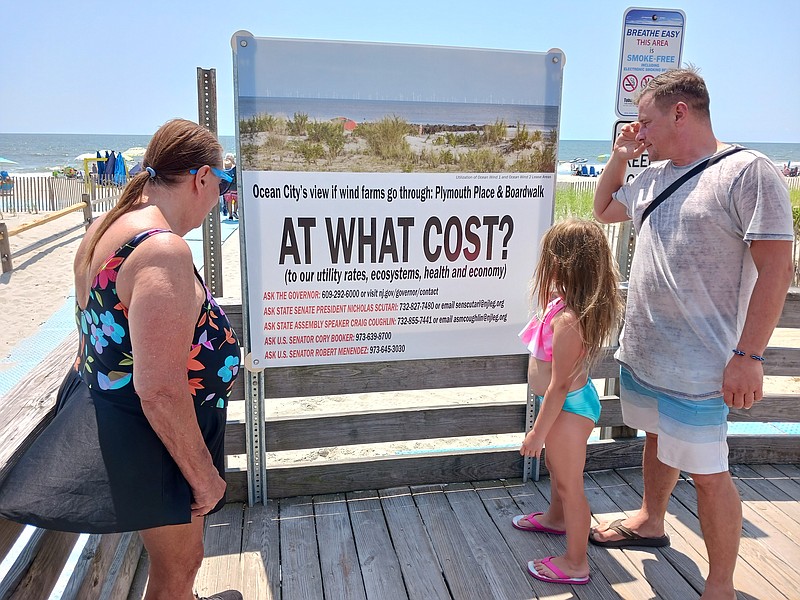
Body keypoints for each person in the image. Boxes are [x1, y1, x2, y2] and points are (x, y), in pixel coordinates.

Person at [0, 119, 243, 600]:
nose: (221, 195)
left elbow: (92, 332)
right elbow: (160, 389)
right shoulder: (162, 250)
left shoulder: (105, 226)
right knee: (180, 565)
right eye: (223, 182)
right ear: (201, 179)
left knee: (177, 563)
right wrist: (204, 477)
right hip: (160, 436)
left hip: (134, 429)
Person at [592, 69, 793, 600]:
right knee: (656, 435)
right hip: (648, 352)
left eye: (646, 120)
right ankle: (650, 519)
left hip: (705, 361)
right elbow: (604, 208)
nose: (640, 131)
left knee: (709, 472)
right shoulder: (653, 175)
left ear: (681, 111)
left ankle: (720, 585)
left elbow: (777, 268)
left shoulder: (746, 172)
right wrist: (620, 157)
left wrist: (749, 355)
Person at [513, 218, 623, 585]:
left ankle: (576, 562)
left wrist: (536, 434)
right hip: (564, 406)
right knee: (561, 475)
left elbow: (559, 386)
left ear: (560, 265)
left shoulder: (569, 321)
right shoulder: (562, 307)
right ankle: (555, 520)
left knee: (570, 485)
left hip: (569, 408)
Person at [223, 153, 238, 220]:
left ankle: (230, 215)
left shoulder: (223, 166)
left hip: (226, 187)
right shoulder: (235, 167)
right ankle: (235, 211)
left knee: (229, 201)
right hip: (235, 187)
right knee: (237, 200)